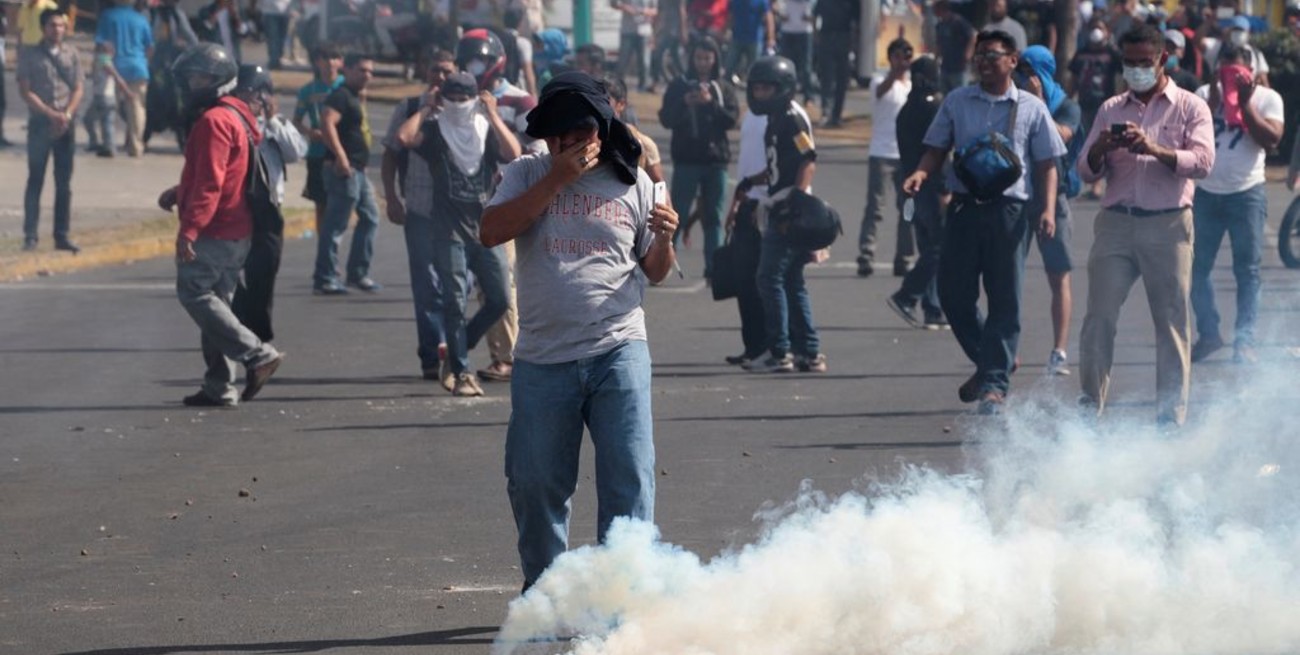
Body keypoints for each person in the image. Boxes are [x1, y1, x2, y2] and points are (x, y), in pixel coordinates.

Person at [480, 72, 678, 591]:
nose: (565, 144)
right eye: (555, 135)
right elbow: (490, 232)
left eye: (577, 133)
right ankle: (546, 595)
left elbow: (655, 270)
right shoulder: (526, 173)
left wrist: (664, 239)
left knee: (629, 479)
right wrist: (557, 179)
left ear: (600, 130)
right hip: (544, 357)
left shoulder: (635, 181)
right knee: (536, 483)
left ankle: (621, 599)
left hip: (618, 347)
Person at [901, 30, 1066, 414]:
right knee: (953, 295)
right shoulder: (957, 101)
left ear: (1013, 61)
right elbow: (936, 148)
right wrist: (921, 174)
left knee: (1005, 297)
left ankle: (994, 383)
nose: (984, 62)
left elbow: (1047, 165)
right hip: (964, 209)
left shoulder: (1031, 107)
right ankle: (994, 358)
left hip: (1010, 213)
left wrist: (1046, 209)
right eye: (980, 56)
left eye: (993, 55)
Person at [1076, 24, 1214, 427]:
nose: (1136, 70)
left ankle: (1170, 418)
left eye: (1144, 62)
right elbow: (1084, 171)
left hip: (1168, 225)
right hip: (1116, 225)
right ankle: (1089, 410)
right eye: (1129, 62)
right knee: (1098, 319)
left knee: (1171, 323)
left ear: (1162, 60)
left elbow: (1203, 163)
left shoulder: (1191, 106)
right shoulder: (1110, 109)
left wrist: (1154, 148)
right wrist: (1101, 147)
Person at [167, 43, 283, 407]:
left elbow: (211, 183)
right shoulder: (237, 116)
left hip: (216, 229)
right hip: (237, 229)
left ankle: (257, 354)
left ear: (217, 79)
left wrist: (189, 230)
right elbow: (226, 172)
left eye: (198, 76)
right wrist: (178, 192)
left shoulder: (214, 120)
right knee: (217, 307)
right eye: (189, 76)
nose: (191, 83)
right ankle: (219, 386)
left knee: (195, 294)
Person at [395, 72, 522, 397]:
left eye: (465, 99)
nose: (458, 106)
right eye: (452, 99)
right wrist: (426, 107)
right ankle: (462, 372)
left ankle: (456, 350)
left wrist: (492, 113)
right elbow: (404, 138)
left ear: (476, 100)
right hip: (447, 231)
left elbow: (514, 154)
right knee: (454, 301)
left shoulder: (485, 132)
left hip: (484, 230)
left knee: (499, 299)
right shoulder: (437, 132)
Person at [1189, 42, 1283, 365]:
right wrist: (1213, 102)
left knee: (1247, 270)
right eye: (1226, 70)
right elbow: (1186, 137)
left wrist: (1245, 105)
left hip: (1247, 194)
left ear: (1251, 72)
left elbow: (1272, 140)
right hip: (1206, 193)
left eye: (1238, 71)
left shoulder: (1268, 98)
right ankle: (1209, 332)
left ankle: (1245, 340)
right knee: (1195, 268)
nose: (1231, 77)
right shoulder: (1203, 94)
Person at [740, 55, 827, 373]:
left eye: (766, 88)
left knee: (768, 277)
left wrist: (797, 202)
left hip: (789, 209)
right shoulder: (774, 120)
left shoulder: (792, 117)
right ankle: (810, 352)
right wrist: (752, 183)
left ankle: (780, 352)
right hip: (778, 203)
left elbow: (808, 159)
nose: (759, 94)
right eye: (757, 88)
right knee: (792, 280)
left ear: (783, 88)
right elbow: (779, 166)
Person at [382, 49, 456, 386]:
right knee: (426, 286)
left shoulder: (464, 107)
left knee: (459, 282)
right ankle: (431, 355)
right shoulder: (410, 108)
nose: (440, 78)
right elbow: (392, 152)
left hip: (459, 215)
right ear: (425, 71)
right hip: (421, 210)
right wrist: (392, 197)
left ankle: (453, 349)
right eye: (435, 71)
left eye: (446, 72)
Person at [1017, 45, 1081, 376]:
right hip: (1016, 196)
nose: (1024, 77)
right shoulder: (1012, 100)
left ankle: (1059, 350)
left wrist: (1038, 102)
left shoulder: (1066, 106)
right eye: (1020, 69)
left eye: (1030, 70)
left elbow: (1061, 138)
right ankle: (1007, 346)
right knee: (1008, 275)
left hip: (1053, 201)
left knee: (1058, 276)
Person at [659, 36, 739, 279]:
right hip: (686, 160)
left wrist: (711, 103)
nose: (703, 63)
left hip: (716, 161)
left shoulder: (722, 87)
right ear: (691, 59)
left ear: (715, 59)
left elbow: (732, 119)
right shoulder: (679, 86)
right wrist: (684, 102)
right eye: (698, 58)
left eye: (707, 58)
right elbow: (666, 119)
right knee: (677, 214)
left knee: (713, 216)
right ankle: (661, 264)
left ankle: (713, 269)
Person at [885, 56, 948, 331]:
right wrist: (945, 188)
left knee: (927, 246)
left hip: (909, 185)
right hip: (931, 186)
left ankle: (932, 308)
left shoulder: (906, 108)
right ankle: (907, 295)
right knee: (940, 247)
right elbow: (939, 151)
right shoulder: (934, 108)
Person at [314, 53, 382, 295]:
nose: (368, 76)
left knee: (371, 218)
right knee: (336, 225)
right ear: (348, 70)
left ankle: (358, 273)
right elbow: (326, 121)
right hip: (343, 170)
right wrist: (341, 157)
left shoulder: (354, 96)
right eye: (362, 70)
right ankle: (325, 277)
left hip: (359, 171)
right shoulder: (340, 95)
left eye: (371, 71)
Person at [18, 8, 82, 254]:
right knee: (35, 180)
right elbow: (25, 90)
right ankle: (30, 235)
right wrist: (49, 113)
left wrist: (66, 114)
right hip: (40, 123)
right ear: (44, 28)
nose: (57, 30)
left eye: (61, 26)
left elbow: (78, 88)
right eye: (53, 25)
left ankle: (61, 234)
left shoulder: (72, 54)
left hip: (65, 125)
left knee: (63, 183)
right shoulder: (30, 54)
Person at [857, 38, 914, 278]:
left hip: (906, 155)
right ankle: (866, 255)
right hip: (882, 152)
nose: (903, 62)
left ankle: (904, 257)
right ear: (890, 57)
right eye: (899, 56)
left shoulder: (912, 86)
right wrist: (895, 72)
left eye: (907, 57)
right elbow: (881, 92)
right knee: (875, 208)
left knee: (908, 208)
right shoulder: (880, 80)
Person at [1067, 19, 1122, 198]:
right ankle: (1088, 180)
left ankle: (1099, 185)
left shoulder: (1112, 54)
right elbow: (1074, 79)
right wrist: (1068, 100)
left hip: (1105, 104)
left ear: (1107, 32)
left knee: (1103, 141)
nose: (1096, 32)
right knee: (1087, 141)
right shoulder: (1081, 53)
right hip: (1085, 103)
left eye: (1100, 28)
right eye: (1093, 28)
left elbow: (1122, 78)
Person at [294, 42, 343, 238]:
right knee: (321, 203)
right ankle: (323, 243)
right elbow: (296, 121)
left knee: (339, 202)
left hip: (341, 151)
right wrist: (309, 131)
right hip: (317, 153)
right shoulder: (308, 91)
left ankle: (333, 243)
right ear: (317, 63)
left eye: (334, 58)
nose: (330, 63)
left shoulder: (346, 86)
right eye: (325, 59)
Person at [95, 0, 153, 158]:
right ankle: (136, 147)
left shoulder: (107, 16)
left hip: (113, 69)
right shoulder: (142, 19)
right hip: (138, 67)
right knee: (137, 110)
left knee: (109, 109)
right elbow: (149, 47)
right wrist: (144, 62)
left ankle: (110, 144)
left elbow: (102, 45)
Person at [814, 0, 859, 127]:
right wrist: (816, 35)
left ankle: (836, 115)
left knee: (842, 79)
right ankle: (825, 112)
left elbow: (856, 21)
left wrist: (853, 42)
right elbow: (816, 14)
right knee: (826, 77)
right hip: (826, 35)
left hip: (844, 37)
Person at [83, 41, 132, 158]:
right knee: (106, 123)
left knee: (91, 120)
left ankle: (105, 146)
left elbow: (117, 77)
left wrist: (127, 92)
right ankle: (106, 146)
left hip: (101, 97)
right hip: (109, 98)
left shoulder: (104, 61)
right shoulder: (104, 61)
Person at [776, 0, 815, 105]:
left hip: (804, 32)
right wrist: (780, 14)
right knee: (785, 66)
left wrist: (811, 17)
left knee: (806, 67)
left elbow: (814, 14)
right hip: (788, 32)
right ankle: (785, 95)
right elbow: (777, 7)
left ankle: (808, 97)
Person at [726, 0, 775, 84]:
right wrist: (727, 30)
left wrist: (770, 37)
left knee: (754, 68)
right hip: (737, 37)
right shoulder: (735, 1)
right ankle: (727, 87)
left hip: (755, 39)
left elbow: (769, 19)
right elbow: (730, 16)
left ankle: (754, 89)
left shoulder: (761, 2)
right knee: (730, 65)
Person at [933, 0, 976, 92]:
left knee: (960, 94)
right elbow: (938, 43)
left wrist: (968, 54)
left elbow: (972, 36)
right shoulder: (939, 25)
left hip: (959, 67)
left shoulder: (958, 22)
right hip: (945, 66)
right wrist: (936, 58)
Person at [615, 0, 657, 92]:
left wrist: (643, 11)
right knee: (623, 61)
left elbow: (655, 10)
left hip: (644, 31)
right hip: (627, 30)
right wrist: (626, 7)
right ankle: (618, 87)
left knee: (644, 62)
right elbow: (614, 3)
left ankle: (643, 87)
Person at [261, 0, 292, 69]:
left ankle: (277, 59)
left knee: (282, 37)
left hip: (286, 9)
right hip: (270, 9)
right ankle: (274, 61)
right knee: (273, 37)